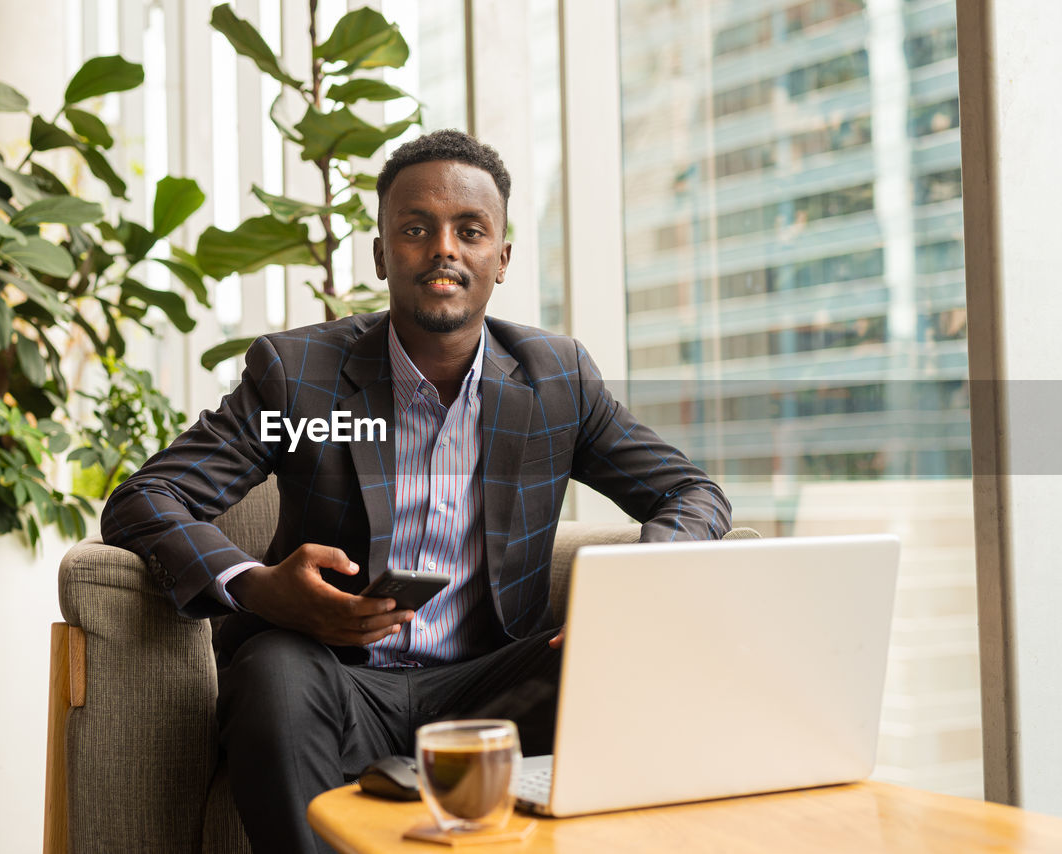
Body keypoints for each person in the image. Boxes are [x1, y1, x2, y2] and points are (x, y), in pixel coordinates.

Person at [102, 129, 731, 853]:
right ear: (380, 254)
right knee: (271, 669)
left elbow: (690, 492)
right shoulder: (299, 375)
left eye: (470, 231)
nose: (444, 249)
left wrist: (634, 587)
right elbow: (145, 499)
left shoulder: (557, 381)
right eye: (415, 229)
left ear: (502, 258)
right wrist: (263, 588)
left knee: (617, 659)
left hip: (494, 694)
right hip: (334, 682)